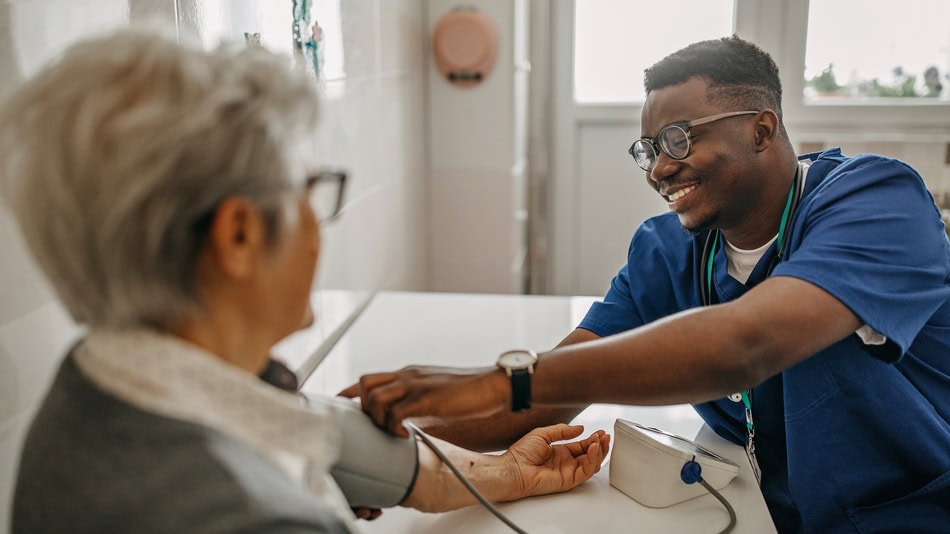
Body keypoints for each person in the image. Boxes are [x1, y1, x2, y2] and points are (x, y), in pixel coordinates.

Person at [0, 27, 610, 533]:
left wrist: (507, 472)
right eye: (310, 190)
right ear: (238, 235)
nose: (320, 225)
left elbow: (333, 438)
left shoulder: (103, 375)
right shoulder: (248, 515)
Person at [348, 36, 950, 533]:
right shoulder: (664, 251)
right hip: (766, 512)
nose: (660, 168)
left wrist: (501, 377)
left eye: (679, 139)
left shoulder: (878, 203)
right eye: (648, 150)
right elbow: (553, 394)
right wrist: (377, 456)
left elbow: (748, 344)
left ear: (762, 130)